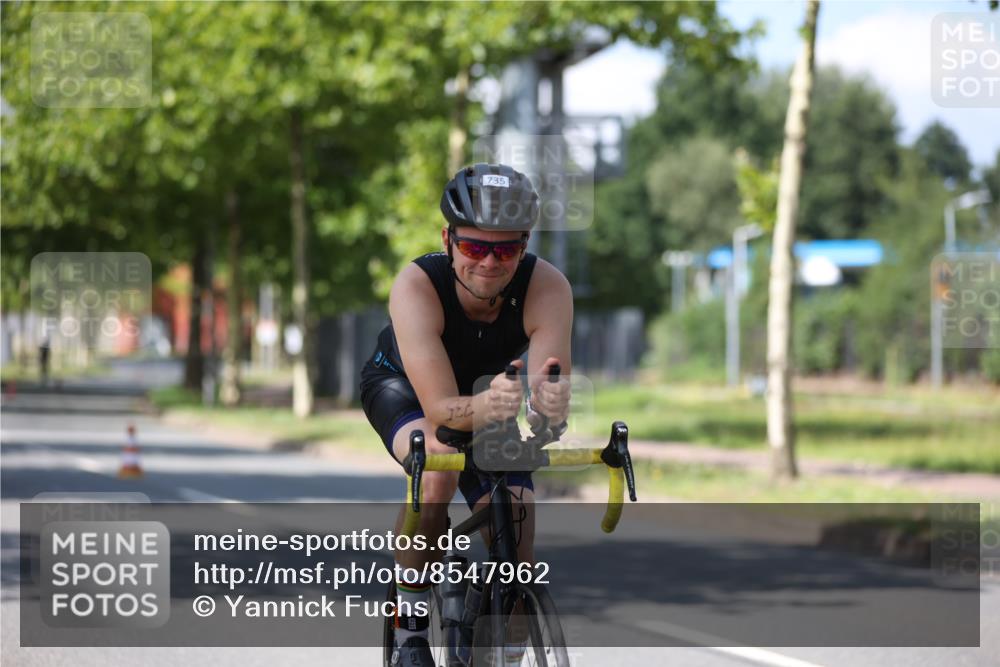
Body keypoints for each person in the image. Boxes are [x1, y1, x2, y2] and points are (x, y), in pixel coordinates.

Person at [360, 163, 572, 667]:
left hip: (487, 396)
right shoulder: (416, 285)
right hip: (408, 390)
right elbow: (442, 413)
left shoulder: (548, 286)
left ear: (524, 246)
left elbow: (547, 383)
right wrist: (491, 407)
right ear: (449, 240)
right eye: (475, 247)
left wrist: (549, 409)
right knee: (435, 467)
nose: (490, 263)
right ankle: (410, 627)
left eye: (506, 249)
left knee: (518, 520)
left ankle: (506, 652)